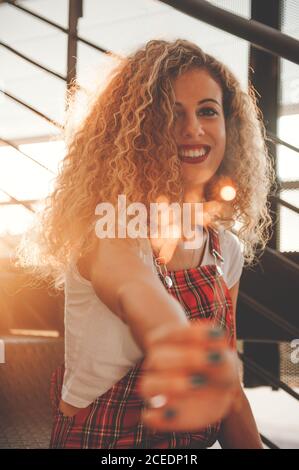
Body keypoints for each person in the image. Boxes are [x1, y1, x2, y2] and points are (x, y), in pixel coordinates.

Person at [17, 39, 273, 449]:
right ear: (135, 132)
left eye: (208, 110)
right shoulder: (109, 229)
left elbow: (227, 389)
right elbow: (133, 287)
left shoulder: (227, 250)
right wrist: (171, 333)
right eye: (171, 114)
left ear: (230, 126)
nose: (193, 128)